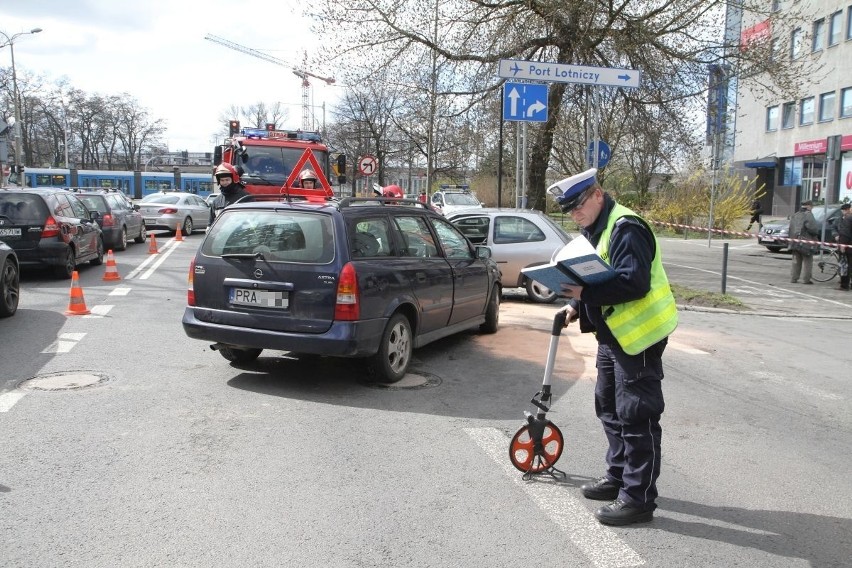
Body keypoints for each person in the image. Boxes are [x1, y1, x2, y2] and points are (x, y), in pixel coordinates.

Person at [548, 168, 678, 526]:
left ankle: (638, 499)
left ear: (598, 195)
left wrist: (585, 295)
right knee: (609, 407)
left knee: (637, 415)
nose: (575, 214)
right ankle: (619, 475)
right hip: (613, 337)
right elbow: (596, 273)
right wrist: (576, 305)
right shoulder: (599, 228)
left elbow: (632, 283)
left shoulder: (626, 227)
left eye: (579, 205)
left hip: (640, 338)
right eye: (569, 210)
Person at [787, 200, 819, 284]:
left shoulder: (795, 215)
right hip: (806, 243)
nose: (812, 208)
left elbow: (790, 229)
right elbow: (813, 229)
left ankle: (794, 278)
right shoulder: (808, 215)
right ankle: (806, 279)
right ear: (808, 206)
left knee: (796, 261)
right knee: (808, 261)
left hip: (794, 241)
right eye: (812, 206)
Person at [835, 203, 852, 291]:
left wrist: (842, 245)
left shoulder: (848, 219)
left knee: (845, 266)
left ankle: (844, 285)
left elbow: (845, 233)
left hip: (848, 247)